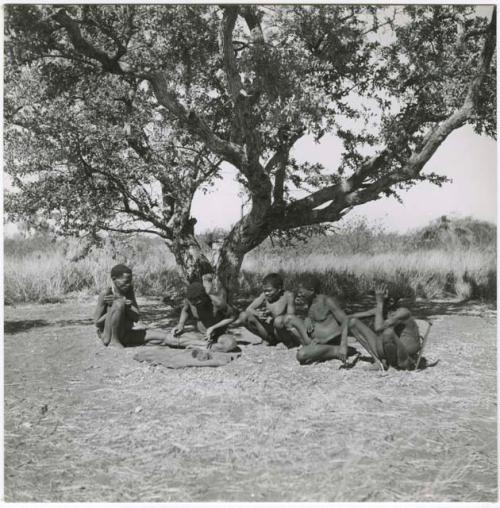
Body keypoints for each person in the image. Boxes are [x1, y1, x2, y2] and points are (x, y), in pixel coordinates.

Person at [347, 284, 421, 370]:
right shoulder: (383, 310)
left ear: (391, 301)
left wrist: (379, 302)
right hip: (390, 349)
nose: (377, 299)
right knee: (353, 323)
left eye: (381, 297)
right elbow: (353, 316)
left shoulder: (403, 312)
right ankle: (381, 363)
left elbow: (378, 328)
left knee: (387, 333)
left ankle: (393, 366)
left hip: (405, 356)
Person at [156, 281, 238, 353]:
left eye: (197, 302)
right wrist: (180, 324)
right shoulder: (190, 300)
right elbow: (185, 310)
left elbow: (232, 317)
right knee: (171, 337)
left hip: (219, 336)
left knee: (231, 344)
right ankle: (204, 346)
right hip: (198, 336)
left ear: (204, 297)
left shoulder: (217, 302)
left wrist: (213, 328)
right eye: (192, 303)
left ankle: (199, 346)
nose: (194, 305)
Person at [289, 275, 351, 365]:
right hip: (315, 340)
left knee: (301, 355)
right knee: (289, 319)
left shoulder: (327, 301)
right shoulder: (311, 301)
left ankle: (335, 350)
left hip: (329, 342)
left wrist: (340, 344)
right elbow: (315, 316)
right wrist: (307, 319)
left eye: (301, 292)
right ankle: (313, 348)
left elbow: (347, 321)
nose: (299, 294)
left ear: (311, 291)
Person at [235, 273, 303, 347]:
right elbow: (249, 309)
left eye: (269, 291)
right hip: (270, 332)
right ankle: (268, 340)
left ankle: (287, 343)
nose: (266, 293)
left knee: (278, 321)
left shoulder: (288, 296)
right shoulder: (264, 295)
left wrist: (273, 316)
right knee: (243, 316)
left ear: (279, 288)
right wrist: (259, 314)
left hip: (283, 332)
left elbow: (290, 319)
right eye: (264, 291)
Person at [94, 264, 146, 347]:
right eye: (125, 282)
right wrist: (113, 310)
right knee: (119, 304)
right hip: (109, 334)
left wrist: (126, 306)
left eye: (130, 281)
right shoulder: (106, 294)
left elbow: (136, 317)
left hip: (126, 332)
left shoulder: (129, 291)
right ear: (114, 279)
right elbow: (97, 323)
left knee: (162, 337)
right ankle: (114, 342)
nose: (128, 284)